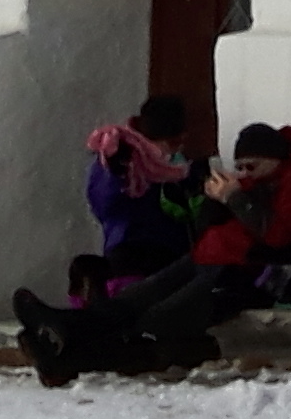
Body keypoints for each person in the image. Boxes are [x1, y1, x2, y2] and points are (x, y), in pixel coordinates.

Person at [15, 123, 291, 385]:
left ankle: (70, 354)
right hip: (210, 258)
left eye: (252, 167)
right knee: (134, 298)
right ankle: (60, 327)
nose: (244, 174)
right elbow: (208, 228)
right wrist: (212, 201)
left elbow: (280, 236)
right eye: (241, 167)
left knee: (157, 319)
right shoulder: (256, 182)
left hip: (245, 273)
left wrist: (236, 199)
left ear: (274, 161)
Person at [73, 94, 209, 301]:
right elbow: (105, 205)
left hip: (170, 256)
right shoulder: (122, 158)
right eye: (172, 143)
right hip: (131, 253)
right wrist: (118, 174)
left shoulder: (182, 169)